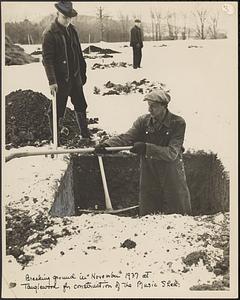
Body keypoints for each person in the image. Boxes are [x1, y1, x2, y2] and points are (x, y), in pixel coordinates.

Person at [95, 89, 191, 216]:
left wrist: (146, 148)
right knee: (149, 211)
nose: (149, 110)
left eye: (154, 106)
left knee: (178, 211)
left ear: (164, 106)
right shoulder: (143, 121)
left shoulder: (177, 123)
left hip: (171, 172)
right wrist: (107, 145)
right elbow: (127, 137)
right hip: (149, 169)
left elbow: (172, 153)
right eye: (149, 106)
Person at [42, 1, 90, 143]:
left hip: (75, 77)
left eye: (70, 17)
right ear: (57, 15)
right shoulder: (50, 33)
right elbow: (47, 60)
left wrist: (82, 73)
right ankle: (55, 139)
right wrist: (52, 81)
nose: (67, 20)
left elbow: (79, 53)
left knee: (81, 105)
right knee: (57, 110)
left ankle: (85, 136)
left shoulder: (73, 30)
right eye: (65, 17)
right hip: (61, 80)